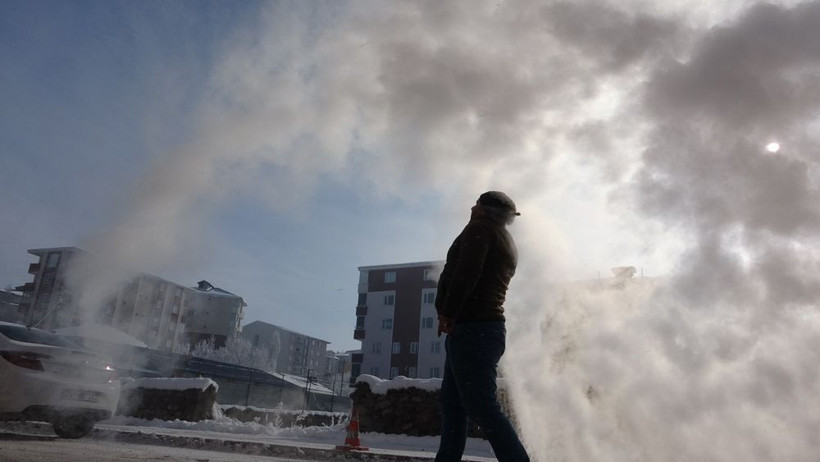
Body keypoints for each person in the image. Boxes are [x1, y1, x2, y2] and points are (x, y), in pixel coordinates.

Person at [434, 191, 530, 462]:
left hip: (472, 329)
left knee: (481, 406)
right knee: (453, 406)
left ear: (484, 209)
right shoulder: (503, 238)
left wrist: (448, 314)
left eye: (476, 203)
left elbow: (466, 273)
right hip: (478, 330)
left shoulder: (479, 230)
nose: (471, 207)